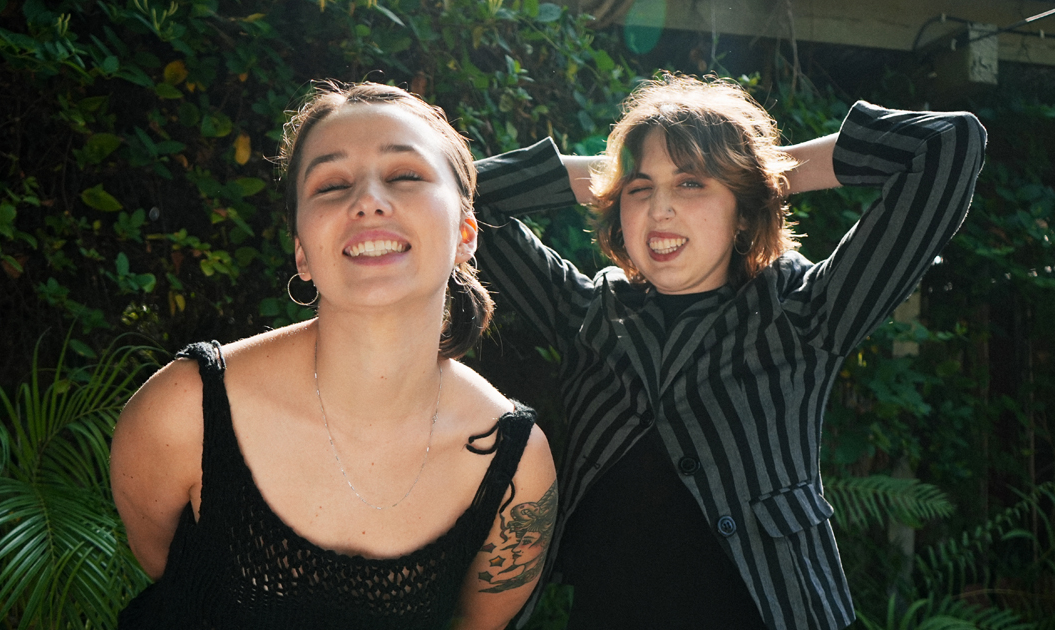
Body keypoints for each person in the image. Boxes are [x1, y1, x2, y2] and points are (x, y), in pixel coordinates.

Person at [472, 74, 986, 629]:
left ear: (744, 210)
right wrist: (615, 173)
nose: (660, 209)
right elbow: (461, 194)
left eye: (692, 184)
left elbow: (947, 146)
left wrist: (761, 167)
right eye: (640, 189)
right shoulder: (584, 312)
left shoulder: (807, 313)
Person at [110, 82, 558, 630]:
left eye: (405, 176)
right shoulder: (184, 410)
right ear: (302, 249)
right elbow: (159, 561)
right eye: (331, 184)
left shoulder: (514, 468)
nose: (367, 200)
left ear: (466, 233)